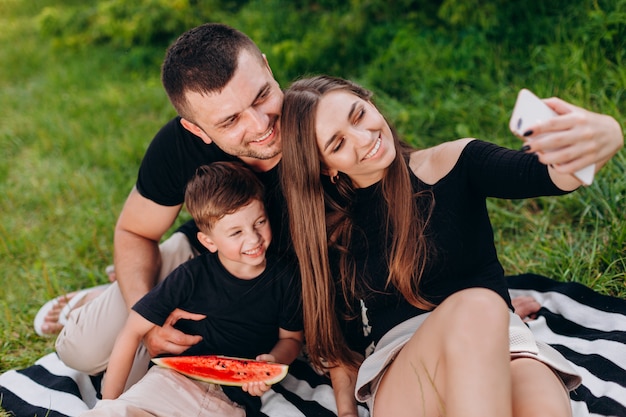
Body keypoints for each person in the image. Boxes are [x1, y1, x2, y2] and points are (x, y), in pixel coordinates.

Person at [38, 22, 537, 390]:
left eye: (261, 97)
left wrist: (488, 299)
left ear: (270, 70)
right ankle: (94, 301)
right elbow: (134, 232)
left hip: (282, 285)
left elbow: (407, 204)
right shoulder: (177, 148)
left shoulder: (320, 125)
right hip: (207, 257)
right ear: (197, 129)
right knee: (85, 352)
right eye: (230, 120)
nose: (259, 126)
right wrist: (144, 313)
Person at [278, 75, 623, 417]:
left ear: (370, 102)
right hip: (407, 368)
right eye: (337, 144)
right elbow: (338, 346)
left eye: (358, 115)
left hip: (505, 345)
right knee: (479, 305)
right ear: (325, 168)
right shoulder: (332, 230)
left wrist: (608, 132)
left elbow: (547, 175)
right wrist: (347, 412)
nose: (363, 137)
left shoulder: (455, 162)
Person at [80, 161, 303, 417]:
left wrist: (273, 362)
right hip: (170, 379)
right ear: (208, 241)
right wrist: (108, 403)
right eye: (236, 232)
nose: (253, 239)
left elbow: (291, 339)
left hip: (232, 401)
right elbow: (131, 332)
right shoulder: (191, 276)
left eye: (260, 222)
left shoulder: (286, 278)